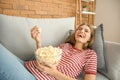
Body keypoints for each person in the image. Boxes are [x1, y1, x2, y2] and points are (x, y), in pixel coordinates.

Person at [0, 23, 97, 80]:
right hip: (26, 65)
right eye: (79, 29)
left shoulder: (90, 54)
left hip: (36, 77)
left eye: (86, 31)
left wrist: (53, 72)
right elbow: (43, 59)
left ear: (90, 38)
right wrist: (38, 41)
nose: (81, 31)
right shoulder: (65, 45)